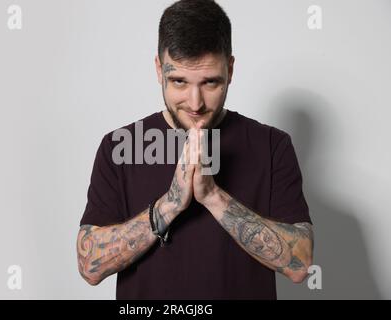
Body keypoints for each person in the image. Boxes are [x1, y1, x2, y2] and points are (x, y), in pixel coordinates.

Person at [77, 0, 313, 299]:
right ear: (158, 69)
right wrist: (171, 204)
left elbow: (300, 264)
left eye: (210, 82)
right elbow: (89, 267)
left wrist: (213, 196)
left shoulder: (272, 146)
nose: (195, 102)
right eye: (178, 81)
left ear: (230, 69)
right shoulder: (119, 147)